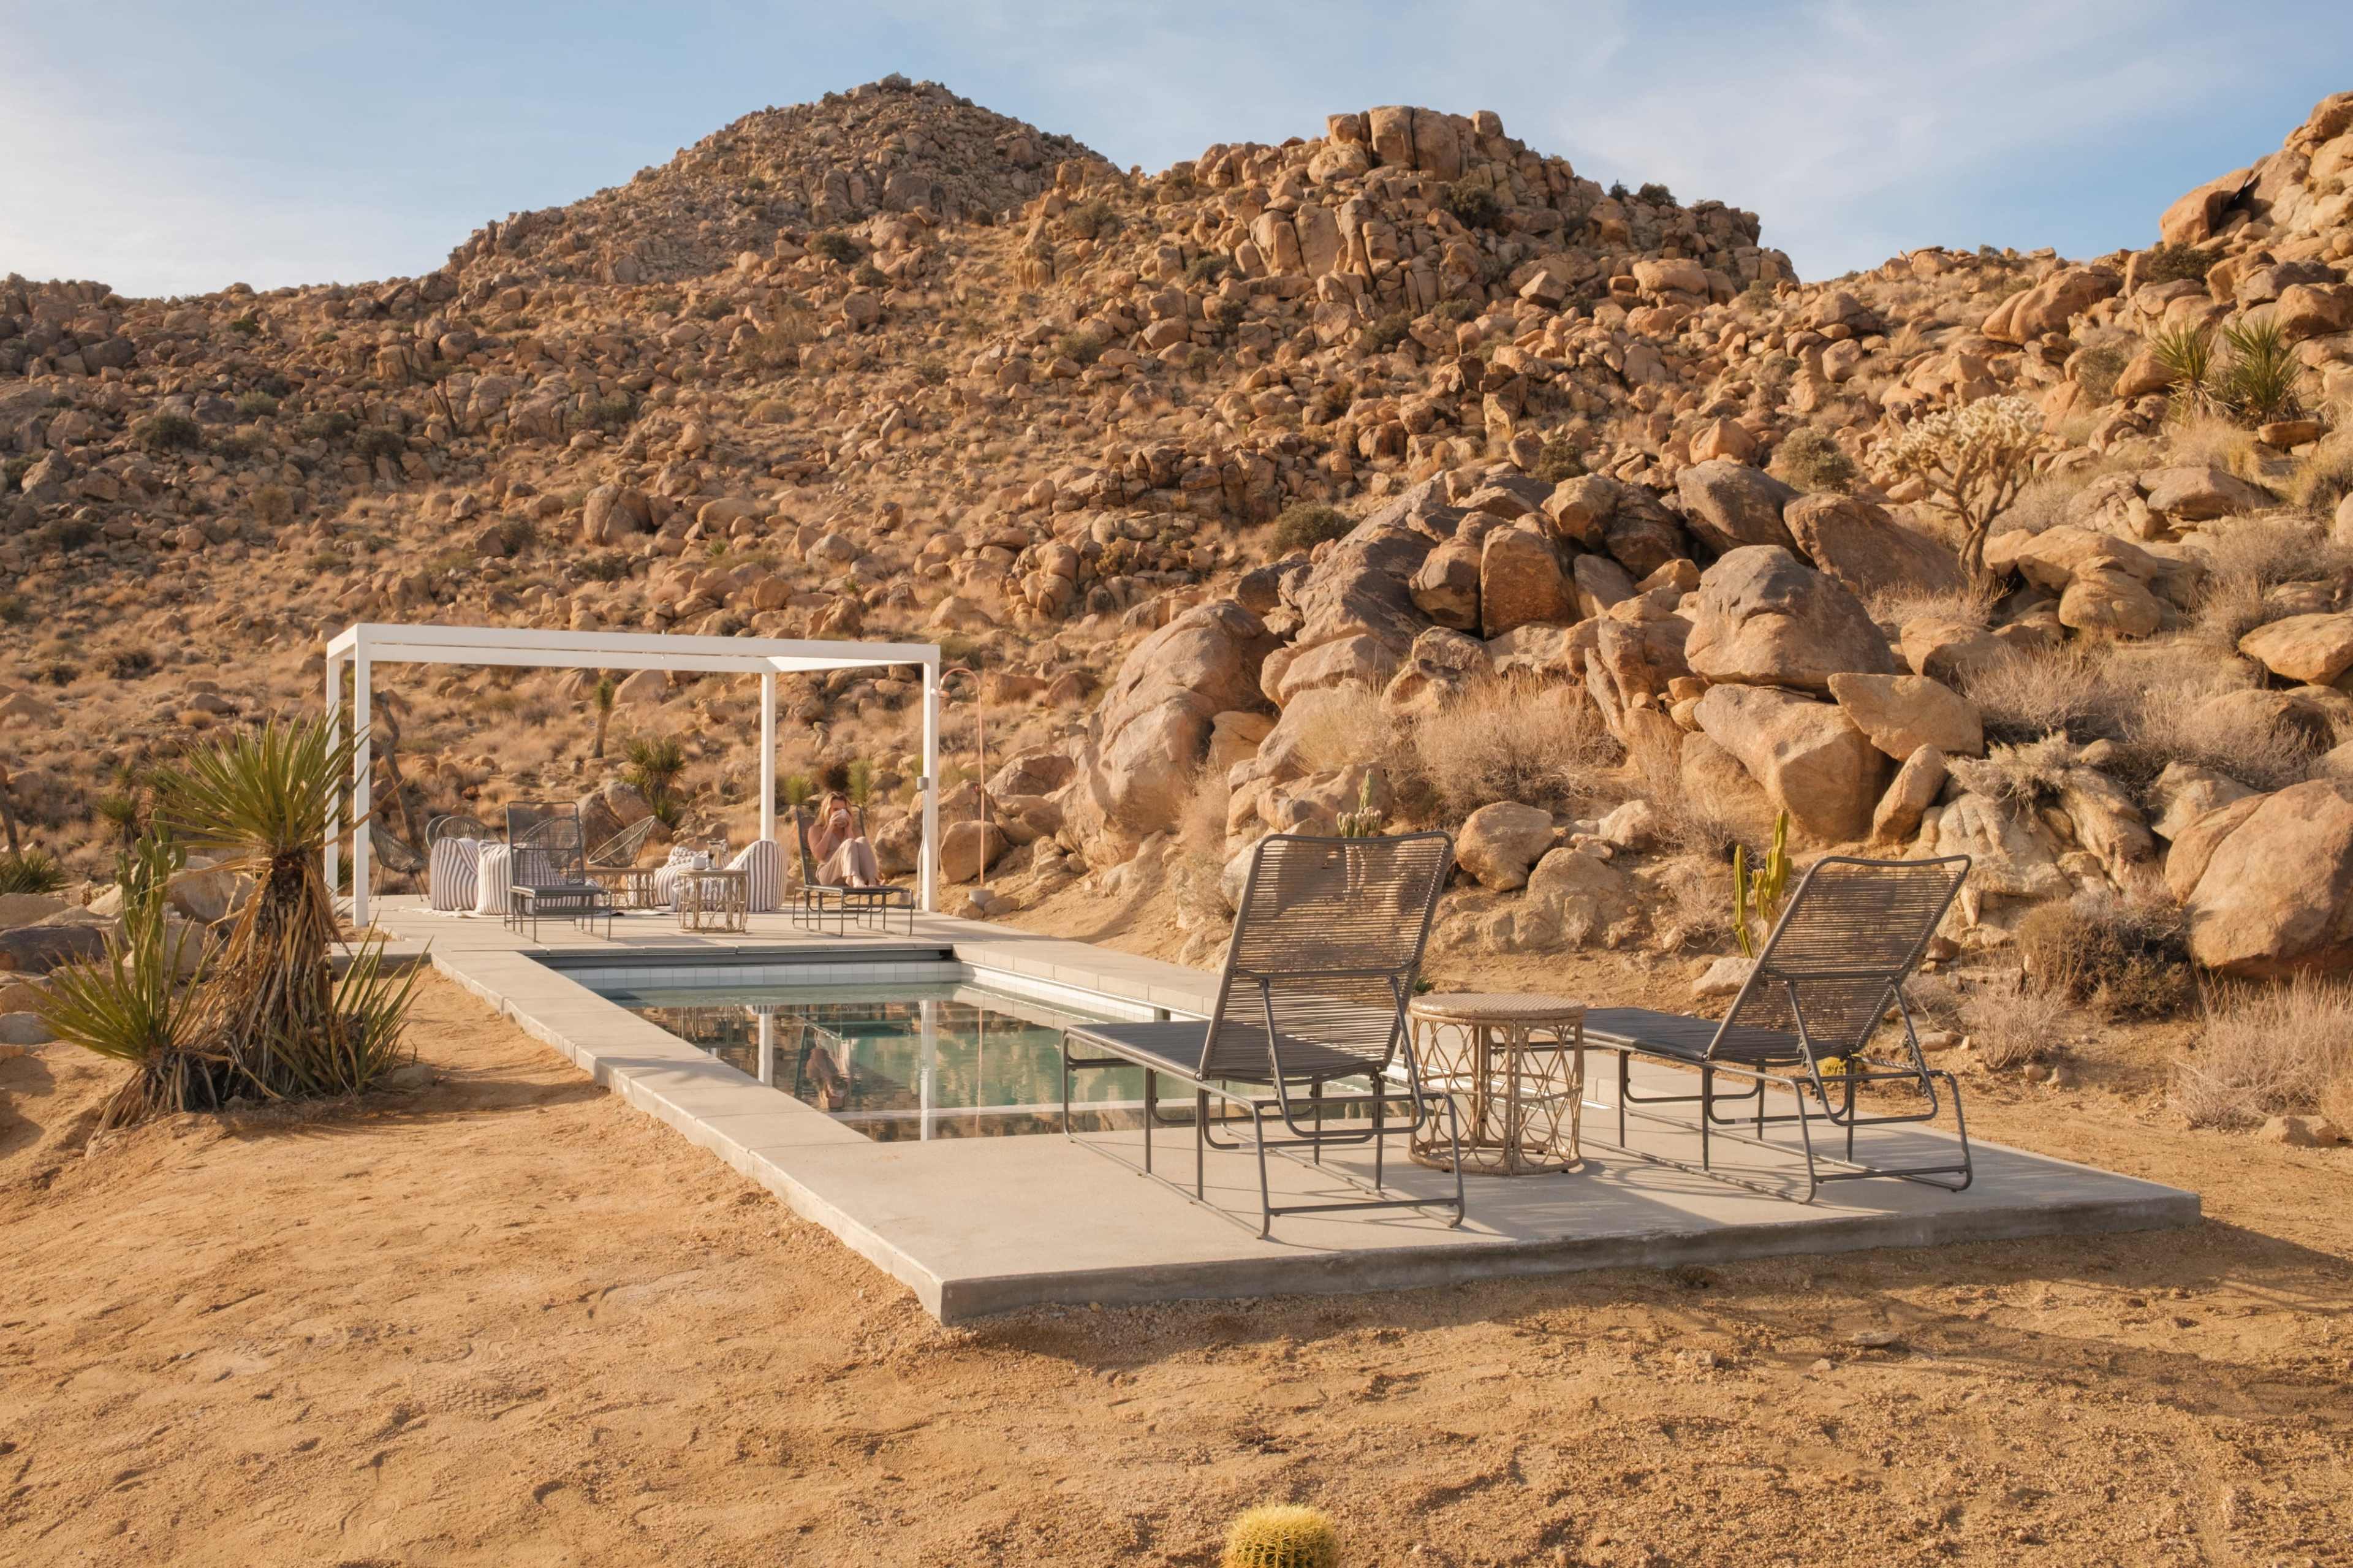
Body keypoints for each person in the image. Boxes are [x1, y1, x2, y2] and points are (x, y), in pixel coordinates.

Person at [808, 790, 881, 887]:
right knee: (849, 842)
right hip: (829, 875)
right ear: (827, 811)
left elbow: (859, 856)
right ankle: (854, 877)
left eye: (844, 810)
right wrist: (830, 828)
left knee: (862, 840)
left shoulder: (853, 830)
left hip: (851, 877)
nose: (841, 813)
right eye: (836, 810)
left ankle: (872, 879)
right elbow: (818, 856)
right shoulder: (816, 829)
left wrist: (849, 830)